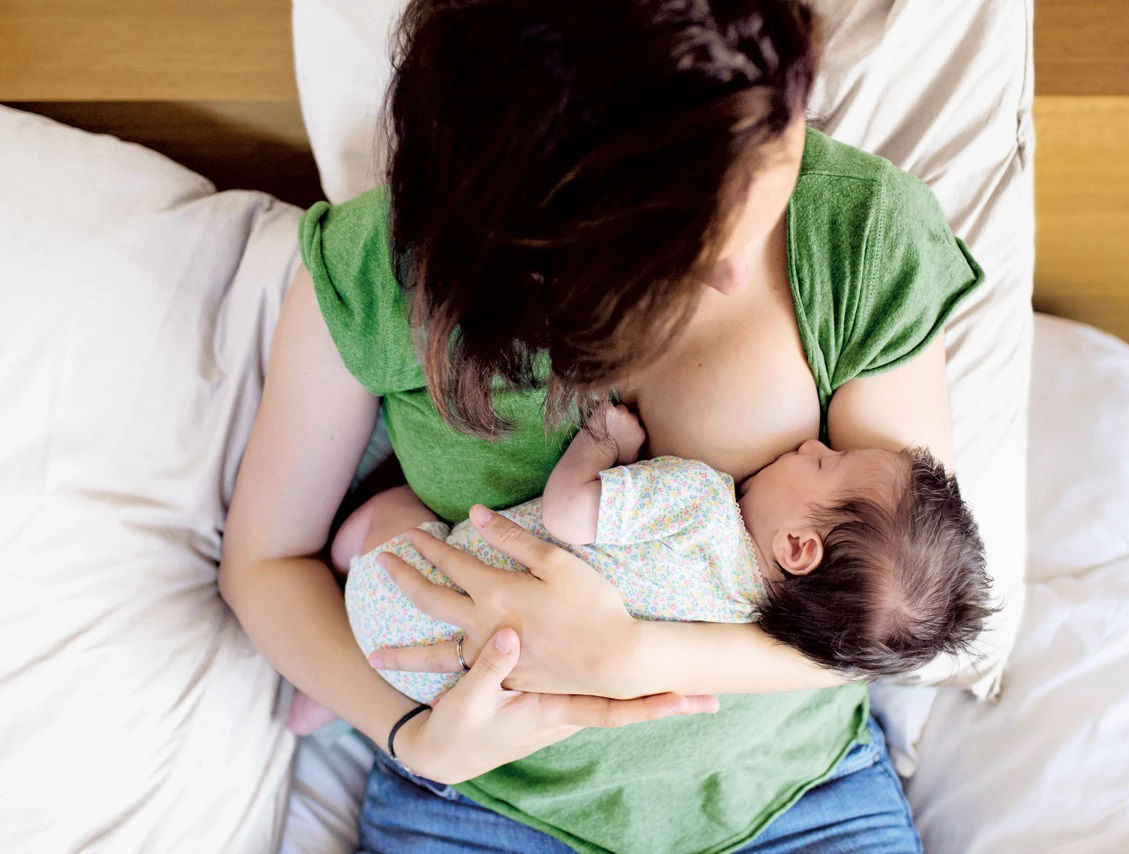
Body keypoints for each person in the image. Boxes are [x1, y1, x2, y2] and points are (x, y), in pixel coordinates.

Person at [219, 0, 988, 850]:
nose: (734, 272)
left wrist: (628, 656)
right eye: (678, 239)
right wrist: (417, 741)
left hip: (798, 800)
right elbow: (264, 565)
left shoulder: (857, 239)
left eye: (776, 146)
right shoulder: (386, 273)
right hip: (481, 806)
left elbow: (894, 621)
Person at [287, 402, 992, 725]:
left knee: (390, 518)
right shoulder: (737, 624)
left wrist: (600, 439)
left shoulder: (698, 503)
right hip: (444, 687)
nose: (814, 445)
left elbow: (568, 512)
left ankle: (333, 609)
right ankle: (333, 701)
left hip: (404, 588)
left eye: (825, 462)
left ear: (800, 548)